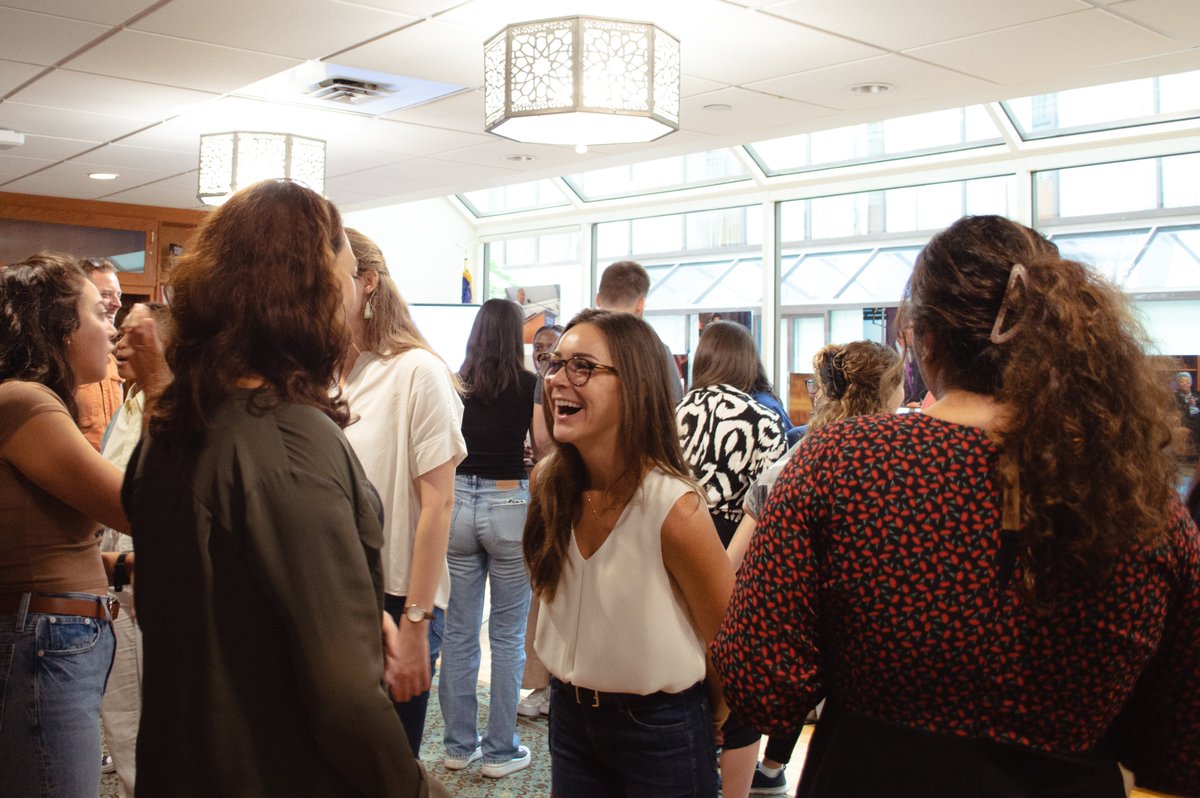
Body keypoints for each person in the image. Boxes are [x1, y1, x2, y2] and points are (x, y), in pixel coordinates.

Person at [712, 215, 1200, 797]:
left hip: (869, 775)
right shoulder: (1138, 501)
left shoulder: (842, 463)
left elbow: (758, 681)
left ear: (926, 338)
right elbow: (1176, 739)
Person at [121, 180, 445, 796]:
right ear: (312, 290)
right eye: (347, 277)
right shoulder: (291, 441)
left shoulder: (172, 426)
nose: (352, 298)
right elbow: (345, 699)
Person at [525, 308, 734, 796]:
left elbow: (726, 640)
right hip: (570, 718)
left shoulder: (673, 509)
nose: (558, 380)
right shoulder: (550, 486)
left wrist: (712, 717)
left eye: (582, 366)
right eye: (554, 364)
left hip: (660, 728)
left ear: (635, 385)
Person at [723, 340, 903, 798]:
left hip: (796, 621)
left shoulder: (797, 456)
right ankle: (769, 767)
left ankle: (763, 770)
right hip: (875, 646)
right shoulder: (907, 466)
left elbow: (735, 560)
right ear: (888, 390)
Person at [0, 252, 127, 797]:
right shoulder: (25, 401)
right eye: (100, 312)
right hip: (47, 641)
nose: (112, 329)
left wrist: (117, 567)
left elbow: (36, 542)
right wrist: (170, 386)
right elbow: (137, 506)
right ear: (61, 327)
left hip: (52, 634)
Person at [341, 227, 466, 756]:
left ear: (367, 282)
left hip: (395, 602)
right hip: (336, 596)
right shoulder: (324, 375)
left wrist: (416, 621)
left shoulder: (418, 371)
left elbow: (438, 503)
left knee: (385, 767)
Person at [674, 319, 787, 796]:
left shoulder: (671, 410)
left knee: (680, 669)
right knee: (739, 682)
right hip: (736, 552)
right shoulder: (764, 418)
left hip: (675, 541)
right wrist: (724, 564)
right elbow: (764, 506)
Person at [440, 298, 537, 778]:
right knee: (507, 635)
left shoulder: (455, 385)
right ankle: (500, 751)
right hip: (509, 506)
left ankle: (458, 747)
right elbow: (542, 449)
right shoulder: (529, 387)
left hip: (457, 502)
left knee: (459, 632)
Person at [97, 301, 172, 796]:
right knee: (120, 709)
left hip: (154, 572)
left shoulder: (174, 408)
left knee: (162, 711)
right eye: (117, 334)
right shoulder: (125, 404)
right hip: (114, 576)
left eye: (132, 335)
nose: (119, 345)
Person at [676, 320, 787, 547]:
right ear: (748, 363)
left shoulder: (671, 413)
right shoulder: (763, 420)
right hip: (734, 544)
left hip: (673, 536)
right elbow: (770, 505)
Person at [518, 322, 562, 719]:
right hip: (538, 496)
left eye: (552, 349)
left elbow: (548, 443)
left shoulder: (553, 387)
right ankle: (541, 686)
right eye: (539, 347)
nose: (543, 354)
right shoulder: (530, 386)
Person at [595, 260, 684, 404]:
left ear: (597, 299)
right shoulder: (657, 351)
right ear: (640, 304)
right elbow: (675, 407)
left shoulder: (568, 344)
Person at [74, 258, 124, 450]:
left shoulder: (111, 359)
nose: (117, 303)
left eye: (118, 294)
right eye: (106, 295)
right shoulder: (63, 359)